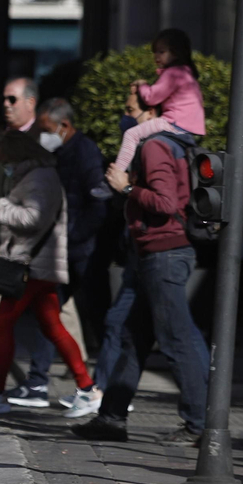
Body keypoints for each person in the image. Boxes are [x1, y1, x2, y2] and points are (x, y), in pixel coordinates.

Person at [73, 91, 210, 445]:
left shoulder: (153, 146)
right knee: (133, 339)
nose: (126, 116)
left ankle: (199, 426)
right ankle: (112, 418)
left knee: (175, 339)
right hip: (158, 253)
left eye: (131, 109)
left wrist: (127, 187)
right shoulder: (170, 143)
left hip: (163, 254)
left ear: (152, 111)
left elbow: (164, 202)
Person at [0, 132, 99, 415]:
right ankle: (87, 388)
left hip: (31, 266)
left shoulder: (39, 178)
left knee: (2, 324)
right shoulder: (39, 175)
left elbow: (33, 217)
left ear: (17, 156)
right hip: (40, 265)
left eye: (6, 161)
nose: (5, 166)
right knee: (53, 326)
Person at [37, 99, 110, 370]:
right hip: (65, 247)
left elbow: (97, 201)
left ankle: (106, 384)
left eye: (47, 129)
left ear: (64, 125)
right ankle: (37, 380)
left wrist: (75, 236)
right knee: (48, 311)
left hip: (83, 250)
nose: (43, 136)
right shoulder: (61, 153)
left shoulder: (84, 152)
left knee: (98, 315)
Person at [101, 29, 205, 193]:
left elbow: (151, 98)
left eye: (161, 52)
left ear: (176, 52)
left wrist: (142, 84)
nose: (156, 56)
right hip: (186, 127)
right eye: (155, 52)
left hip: (174, 122)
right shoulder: (186, 72)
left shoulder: (173, 74)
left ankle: (115, 176)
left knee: (131, 134)